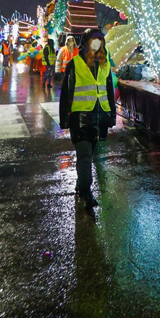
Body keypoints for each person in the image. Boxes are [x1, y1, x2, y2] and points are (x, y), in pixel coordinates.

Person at [60, 28, 116, 211]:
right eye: (94, 39)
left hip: (100, 116)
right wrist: (65, 120)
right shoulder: (74, 64)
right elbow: (66, 93)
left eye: (100, 40)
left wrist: (112, 116)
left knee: (89, 155)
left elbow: (109, 92)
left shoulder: (105, 63)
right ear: (86, 42)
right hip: (81, 117)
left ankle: (80, 183)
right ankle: (86, 191)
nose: (97, 43)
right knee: (84, 155)